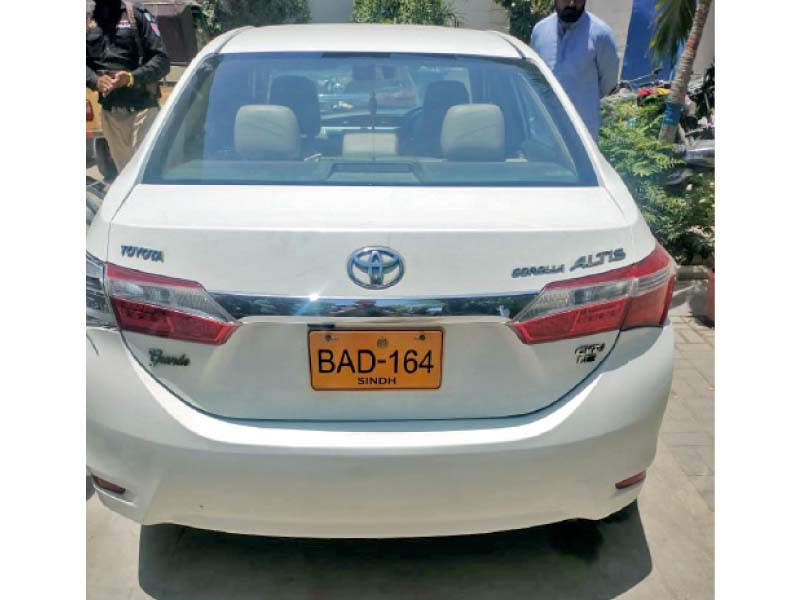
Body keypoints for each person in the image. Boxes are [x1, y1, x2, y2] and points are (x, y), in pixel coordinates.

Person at [86, 1, 169, 172]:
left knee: (147, 174)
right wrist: (95, 80)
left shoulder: (136, 14)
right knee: (126, 176)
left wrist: (131, 78)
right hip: (111, 116)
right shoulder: (87, 21)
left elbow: (162, 61)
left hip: (142, 112)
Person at [530, 0, 619, 140]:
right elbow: (534, 78)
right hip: (543, 135)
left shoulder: (602, 35)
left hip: (582, 139)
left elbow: (608, 85)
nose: (571, 4)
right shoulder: (539, 32)